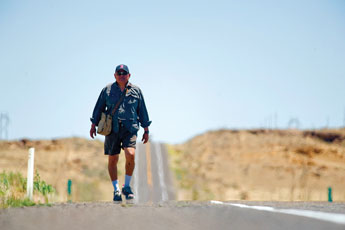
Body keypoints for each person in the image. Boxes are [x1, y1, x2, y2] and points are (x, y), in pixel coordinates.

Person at [90, 64, 151, 202]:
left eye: (124, 73)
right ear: (115, 75)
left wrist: (146, 130)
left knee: (130, 154)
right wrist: (93, 125)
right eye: (119, 73)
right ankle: (116, 189)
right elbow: (98, 107)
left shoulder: (136, 91)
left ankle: (127, 186)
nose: (122, 75)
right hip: (112, 129)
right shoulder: (107, 90)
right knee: (113, 159)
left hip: (130, 128)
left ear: (129, 75)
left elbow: (142, 111)